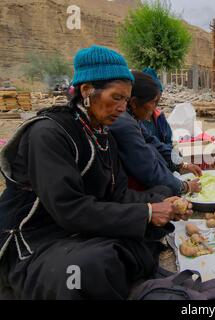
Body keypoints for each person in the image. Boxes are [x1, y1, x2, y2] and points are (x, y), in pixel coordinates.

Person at [0, 45, 193, 299]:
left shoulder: (103, 136)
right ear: (87, 91)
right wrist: (146, 212)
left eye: (126, 99)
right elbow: (70, 210)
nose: (123, 107)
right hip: (39, 238)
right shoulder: (48, 134)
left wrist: (162, 202)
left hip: (79, 228)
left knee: (161, 197)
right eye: (116, 97)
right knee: (93, 264)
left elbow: (118, 194)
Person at [109, 71, 202, 195]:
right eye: (153, 102)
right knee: (164, 191)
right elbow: (148, 169)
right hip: (123, 190)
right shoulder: (124, 124)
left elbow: (153, 142)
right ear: (134, 102)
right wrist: (184, 186)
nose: (155, 108)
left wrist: (182, 164)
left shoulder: (133, 118)